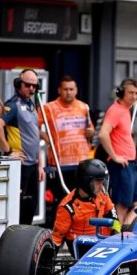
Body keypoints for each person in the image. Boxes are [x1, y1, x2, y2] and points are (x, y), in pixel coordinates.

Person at [98, 77, 137, 226]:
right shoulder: (115, 110)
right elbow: (102, 134)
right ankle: (118, 236)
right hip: (121, 165)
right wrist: (115, 157)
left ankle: (125, 232)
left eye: (136, 93)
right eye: (130, 92)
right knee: (123, 205)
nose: (133, 96)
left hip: (131, 164)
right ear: (121, 93)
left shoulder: (125, 107)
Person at [0, 68, 45, 225]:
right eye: (28, 85)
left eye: (34, 86)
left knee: (30, 207)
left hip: (33, 165)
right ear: (18, 84)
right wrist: (8, 152)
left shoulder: (32, 105)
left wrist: (40, 165)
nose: (31, 89)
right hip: (21, 165)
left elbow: (33, 137)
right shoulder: (13, 105)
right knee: (19, 207)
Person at [38, 75, 95, 226]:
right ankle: (59, 232)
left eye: (71, 89)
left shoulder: (84, 107)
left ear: (76, 90)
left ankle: (78, 229)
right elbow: (33, 126)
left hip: (82, 162)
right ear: (59, 90)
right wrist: (46, 137)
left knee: (82, 199)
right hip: (59, 163)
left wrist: (91, 133)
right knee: (62, 200)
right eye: (65, 89)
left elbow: (90, 130)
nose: (68, 92)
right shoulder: (48, 108)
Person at [52, 159, 120, 257]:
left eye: (102, 182)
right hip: (82, 248)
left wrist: (116, 238)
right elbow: (56, 238)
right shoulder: (67, 207)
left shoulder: (103, 195)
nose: (101, 187)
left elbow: (115, 219)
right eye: (98, 182)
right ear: (86, 182)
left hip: (105, 244)